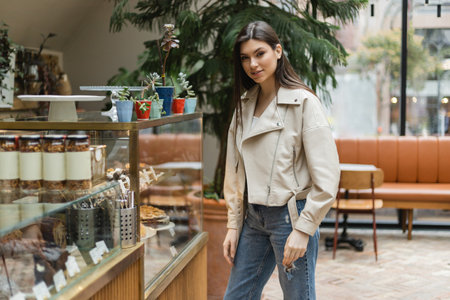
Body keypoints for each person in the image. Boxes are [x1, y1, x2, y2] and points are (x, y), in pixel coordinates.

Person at [222, 21, 340, 300]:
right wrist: (232, 222)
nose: (253, 64)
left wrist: (304, 229)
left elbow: (327, 177)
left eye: (259, 53)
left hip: (291, 217)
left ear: (278, 51)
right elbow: (234, 169)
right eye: (245, 57)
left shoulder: (303, 103)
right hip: (253, 218)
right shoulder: (245, 104)